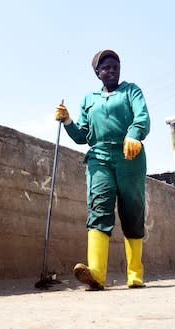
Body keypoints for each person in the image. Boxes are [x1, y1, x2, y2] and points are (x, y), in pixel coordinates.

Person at [54, 49, 151, 290]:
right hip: (99, 157)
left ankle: (135, 273)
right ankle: (96, 273)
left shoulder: (132, 91)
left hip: (129, 154)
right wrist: (67, 122)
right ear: (97, 73)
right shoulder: (89, 99)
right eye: (106, 67)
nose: (111, 71)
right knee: (98, 207)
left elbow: (142, 117)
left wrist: (134, 135)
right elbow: (83, 136)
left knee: (132, 210)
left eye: (115, 67)